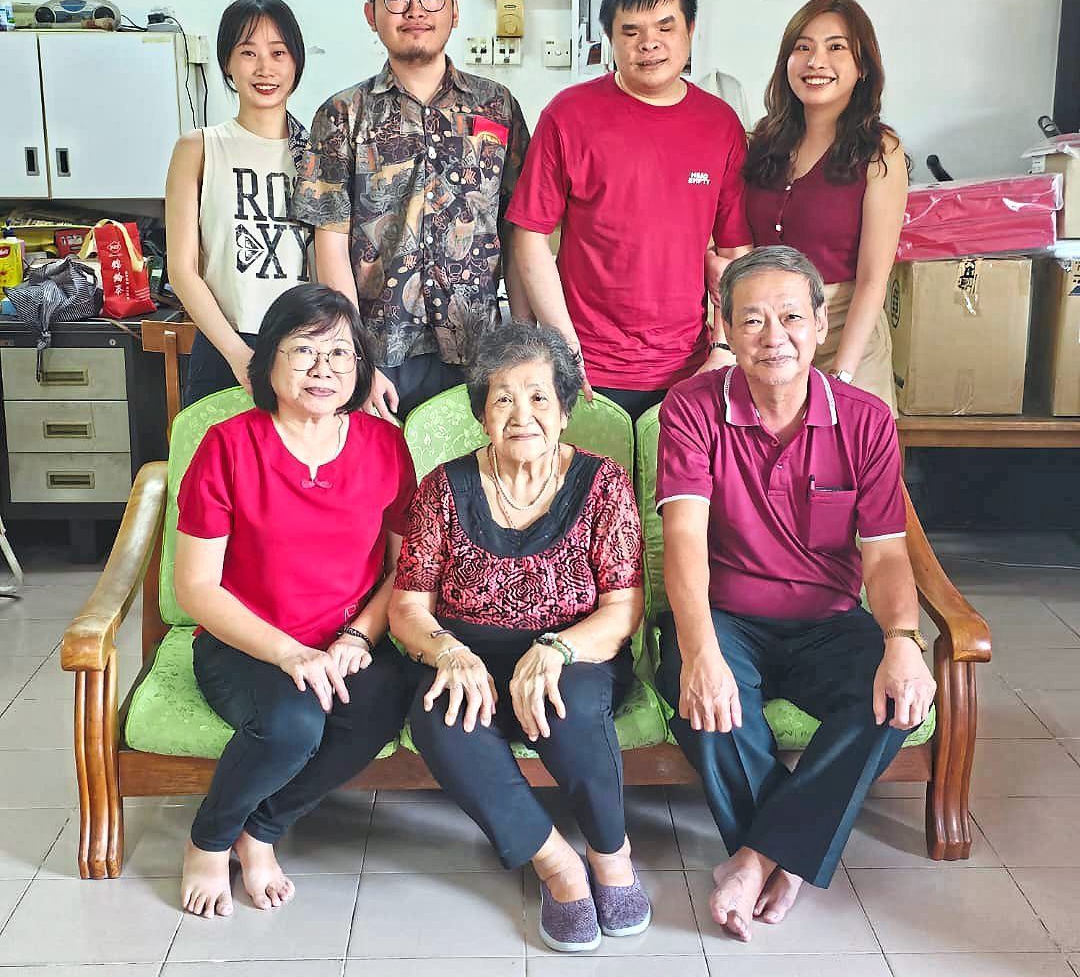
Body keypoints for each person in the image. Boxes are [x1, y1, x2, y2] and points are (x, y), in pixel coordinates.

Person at [654, 247, 935, 941]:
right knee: (696, 687)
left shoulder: (865, 420)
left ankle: (755, 858)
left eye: (789, 317)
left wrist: (902, 640)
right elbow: (684, 540)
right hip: (729, 617)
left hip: (830, 620)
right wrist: (701, 649)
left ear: (819, 323)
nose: (772, 336)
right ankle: (794, 853)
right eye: (751, 320)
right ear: (725, 326)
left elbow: (887, 553)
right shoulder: (691, 409)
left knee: (894, 694)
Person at [389, 323, 650, 953]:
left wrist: (558, 648)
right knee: (441, 721)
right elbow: (406, 607)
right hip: (466, 654)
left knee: (573, 708)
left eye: (538, 397)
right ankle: (558, 863)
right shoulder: (443, 488)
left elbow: (623, 607)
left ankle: (612, 857)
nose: (522, 414)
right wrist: (449, 651)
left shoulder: (603, 484)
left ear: (565, 409)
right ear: (481, 412)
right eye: (503, 398)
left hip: (576, 650)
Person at [175, 283, 416, 918]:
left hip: (344, 641)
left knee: (388, 700)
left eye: (340, 353)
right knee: (292, 722)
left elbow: (403, 568)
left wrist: (358, 637)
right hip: (246, 642)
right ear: (268, 363)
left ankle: (263, 831)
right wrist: (290, 654)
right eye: (303, 350)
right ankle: (210, 839)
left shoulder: (385, 446)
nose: (323, 369)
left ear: (361, 366)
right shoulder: (227, 446)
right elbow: (195, 587)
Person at [293, 0, 530, 422]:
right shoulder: (343, 113)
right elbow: (329, 242)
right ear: (371, 13)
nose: (414, 11)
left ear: (455, 9)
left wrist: (521, 341)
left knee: (467, 491)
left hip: (479, 348)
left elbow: (518, 230)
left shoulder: (497, 107)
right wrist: (351, 358)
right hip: (381, 351)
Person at [507, 0, 752, 420]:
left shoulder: (720, 125)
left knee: (676, 494)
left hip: (690, 368)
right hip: (586, 370)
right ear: (610, 38)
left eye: (665, 26)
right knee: (589, 492)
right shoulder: (569, 116)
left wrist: (723, 347)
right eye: (631, 31)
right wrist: (563, 347)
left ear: (690, 29)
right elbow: (530, 234)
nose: (649, 44)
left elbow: (736, 252)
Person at [744, 0, 907, 412]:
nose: (816, 61)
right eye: (803, 47)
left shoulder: (879, 151)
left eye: (835, 47)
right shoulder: (762, 143)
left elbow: (873, 278)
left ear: (862, 65)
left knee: (845, 467)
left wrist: (843, 374)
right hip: (769, 338)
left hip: (844, 333)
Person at [166, 0, 313, 406]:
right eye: (248, 53)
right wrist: (235, 352)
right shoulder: (198, 149)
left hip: (304, 349)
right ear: (227, 63)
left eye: (278, 53)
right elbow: (182, 268)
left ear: (296, 62)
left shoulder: (319, 152)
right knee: (215, 469)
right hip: (223, 343)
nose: (265, 68)